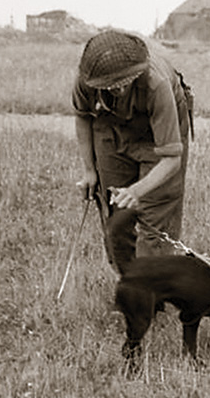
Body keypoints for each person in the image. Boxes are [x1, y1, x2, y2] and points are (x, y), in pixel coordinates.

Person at [73, 29, 193, 271]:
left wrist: (137, 190)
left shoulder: (156, 85)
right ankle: (128, 286)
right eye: (108, 87)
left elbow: (171, 160)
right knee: (116, 214)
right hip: (110, 125)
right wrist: (89, 170)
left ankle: (151, 295)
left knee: (155, 213)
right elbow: (83, 117)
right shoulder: (86, 81)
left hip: (156, 134)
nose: (116, 90)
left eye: (122, 85)